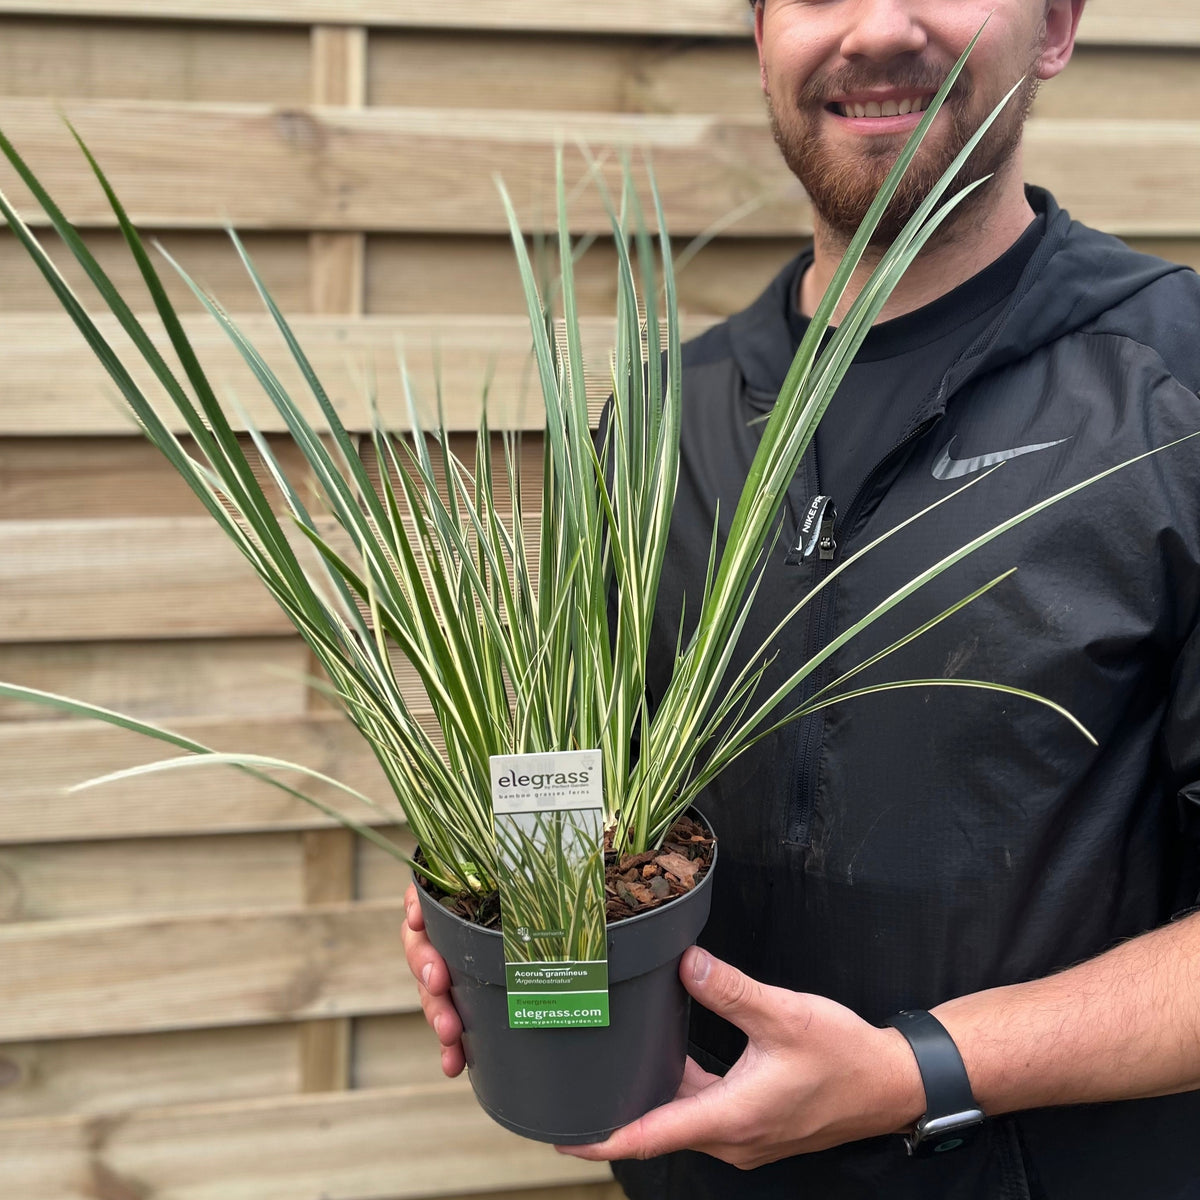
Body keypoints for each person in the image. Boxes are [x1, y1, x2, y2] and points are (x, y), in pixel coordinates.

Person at [404, 1, 1200, 1195]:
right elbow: (588, 796)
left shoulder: (1173, 393)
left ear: (1056, 25)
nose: (877, 28)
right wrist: (511, 930)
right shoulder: (660, 419)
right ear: (760, 34)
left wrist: (912, 1070)